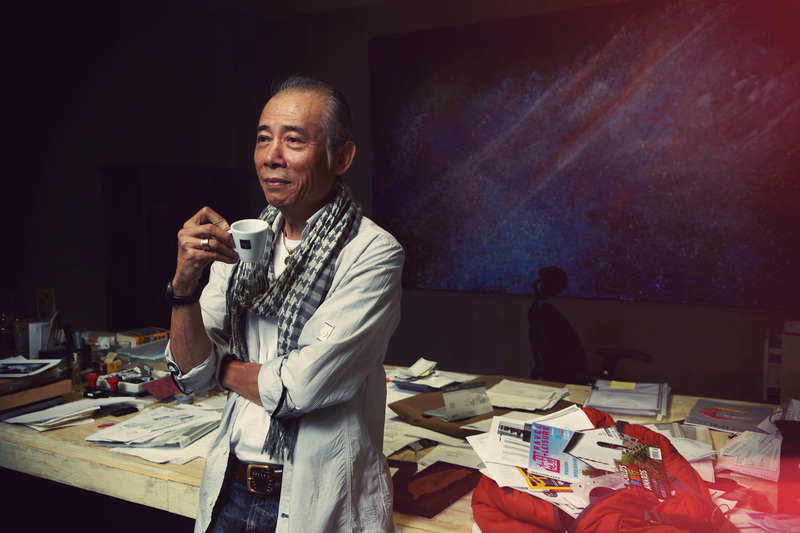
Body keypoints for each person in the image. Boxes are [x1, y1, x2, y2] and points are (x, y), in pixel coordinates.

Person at [165, 74, 405, 533]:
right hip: (230, 490)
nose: (271, 156)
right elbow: (189, 374)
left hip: (317, 500)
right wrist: (184, 287)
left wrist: (221, 367)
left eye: (293, 140)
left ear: (342, 157)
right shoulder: (242, 244)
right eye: (263, 139)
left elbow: (301, 387)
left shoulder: (372, 252)